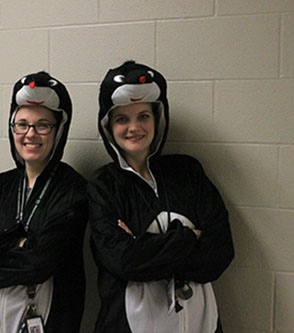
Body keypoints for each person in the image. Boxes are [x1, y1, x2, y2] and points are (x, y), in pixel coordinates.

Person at [88, 61, 234, 333]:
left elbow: (220, 253)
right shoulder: (103, 184)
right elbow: (123, 261)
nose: (134, 127)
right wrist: (190, 237)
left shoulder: (187, 171)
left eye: (143, 116)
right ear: (108, 125)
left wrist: (143, 246)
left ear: (158, 118)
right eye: (122, 118)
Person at [0, 71, 88, 332]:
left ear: (58, 130)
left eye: (43, 125)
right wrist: (15, 242)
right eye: (22, 124)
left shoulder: (74, 190)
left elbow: (37, 262)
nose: (30, 134)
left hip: (49, 320)